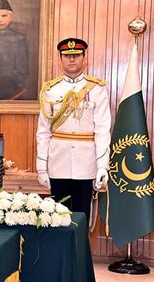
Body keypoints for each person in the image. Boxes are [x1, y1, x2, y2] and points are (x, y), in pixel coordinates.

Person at [36, 38, 111, 221]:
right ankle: (61, 251)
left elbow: (102, 130)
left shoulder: (97, 89)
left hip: (86, 164)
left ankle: (79, 250)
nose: (71, 59)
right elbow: (44, 131)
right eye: (67, 55)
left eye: (76, 55)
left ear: (85, 58)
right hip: (57, 163)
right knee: (57, 219)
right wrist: (41, 167)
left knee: (81, 217)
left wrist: (102, 166)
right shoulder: (50, 90)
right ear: (59, 59)